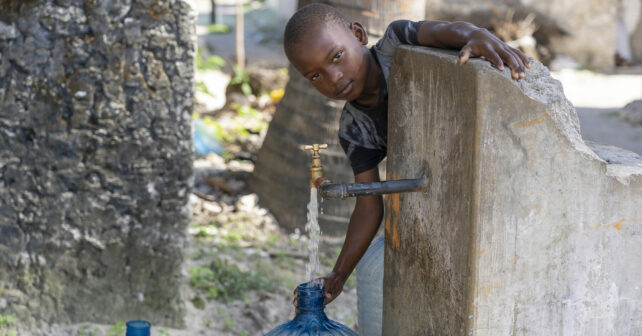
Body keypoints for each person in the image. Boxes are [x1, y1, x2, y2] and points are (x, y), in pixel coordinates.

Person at [283, 2, 529, 327]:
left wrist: (475, 35)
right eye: (316, 75)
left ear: (357, 34)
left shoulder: (395, 43)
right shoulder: (355, 128)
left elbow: (441, 31)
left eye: (336, 57)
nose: (334, 78)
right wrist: (339, 275)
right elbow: (369, 205)